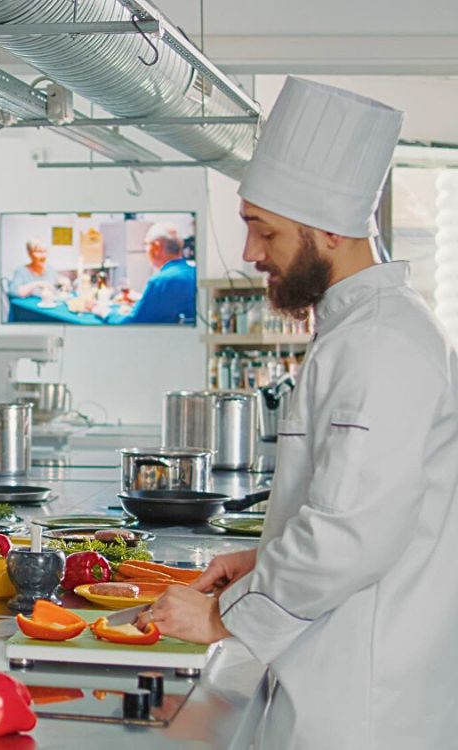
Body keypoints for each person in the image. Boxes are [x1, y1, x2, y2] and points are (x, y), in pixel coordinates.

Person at [139, 78, 458, 747]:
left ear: (330, 232)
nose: (252, 254)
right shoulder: (363, 332)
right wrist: (262, 559)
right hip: (335, 678)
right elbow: (362, 504)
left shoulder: (381, 345)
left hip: (362, 706)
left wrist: (221, 615)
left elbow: (351, 535)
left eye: (263, 230)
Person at [105, 223, 195, 324]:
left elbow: (131, 323)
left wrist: (104, 312)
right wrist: (141, 299)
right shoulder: (193, 272)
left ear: (156, 247)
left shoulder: (160, 281)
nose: (145, 251)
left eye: (146, 244)